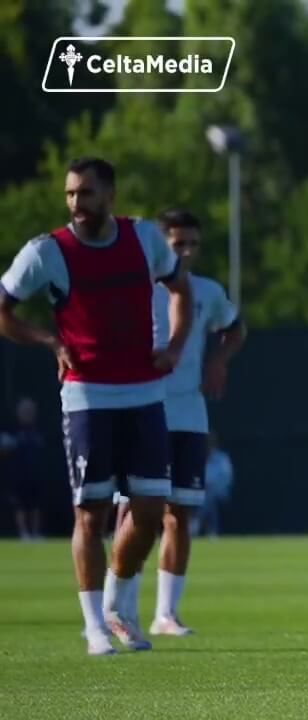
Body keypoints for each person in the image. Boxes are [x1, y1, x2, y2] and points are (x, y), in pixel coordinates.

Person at [0, 157, 193, 655]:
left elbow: (179, 290)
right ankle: (93, 627)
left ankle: (116, 602)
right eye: (69, 194)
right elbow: (4, 309)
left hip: (144, 391)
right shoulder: (47, 251)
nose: (75, 203)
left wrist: (173, 347)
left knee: (150, 510)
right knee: (91, 511)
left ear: (109, 194)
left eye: (85, 193)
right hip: (86, 395)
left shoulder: (144, 238)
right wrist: (47, 341)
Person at [115, 208, 246, 636]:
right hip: (141, 408)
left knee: (181, 514)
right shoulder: (135, 287)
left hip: (190, 414)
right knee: (135, 513)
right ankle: (119, 609)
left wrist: (219, 361)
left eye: (193, 243)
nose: (187, 251)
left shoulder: (207, 290)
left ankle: (165, 614)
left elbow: (236, 328)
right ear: (161, 245)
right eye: (178, 243)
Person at [2, 398, 46, 541]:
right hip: (18, 475)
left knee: (35, 505)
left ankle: (35, 532)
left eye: (30, 410)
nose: (28, 413)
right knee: (20, 505)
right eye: (25, 411)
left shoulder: (38, 430)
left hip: (35, 474)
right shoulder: (12, 429)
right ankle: (24, 533)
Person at [194, 431, 233, 537]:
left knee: (210, 496)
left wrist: (211, 487)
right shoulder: (196, 458)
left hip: (219, 493)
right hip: (199, 493)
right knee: (207, 499)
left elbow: (226, 479)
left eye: (209, 441)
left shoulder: (222, 458)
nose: (207, 444)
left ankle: (196, 523)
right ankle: (212, 531)